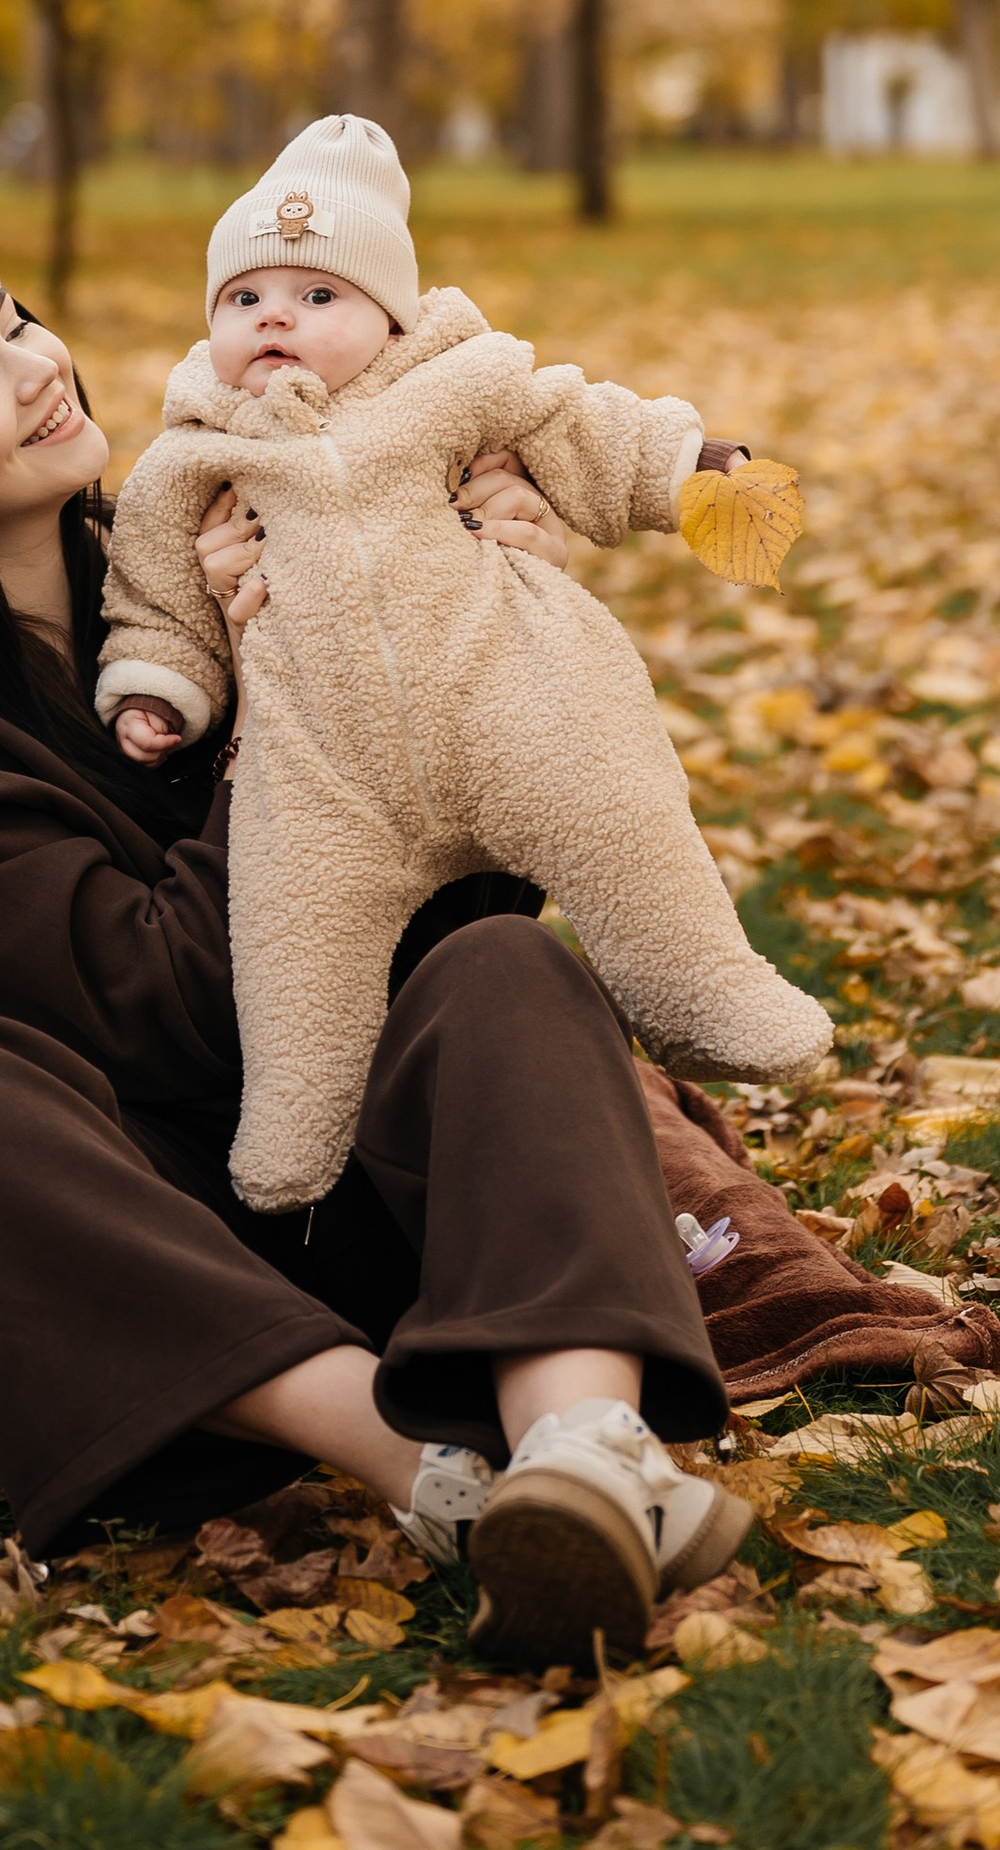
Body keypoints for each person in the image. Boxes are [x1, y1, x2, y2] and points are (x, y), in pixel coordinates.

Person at [0, 233, 755, 1668]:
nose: (38, 369)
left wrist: (487, 626)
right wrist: (269, 740)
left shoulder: (229, 536)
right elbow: (168, 1015)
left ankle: (585, 1452)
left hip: (388, 1205)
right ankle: (430, 1476)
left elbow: (465, 902)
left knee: (516, 974)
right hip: (142, 1240)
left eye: (17, 321)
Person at [98, 115, 831, 1216]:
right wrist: (159, 682)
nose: (275, 317)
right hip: (322, 764)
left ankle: (699, 987)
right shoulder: (195, 451)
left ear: (391, 317)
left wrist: (690, 463)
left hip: (508, 698)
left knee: (615, 809)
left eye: (316, 294)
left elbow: (583, 425)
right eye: (242, 299)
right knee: (290, 923)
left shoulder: (457, 385)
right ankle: (297, 1114)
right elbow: (152, 588)